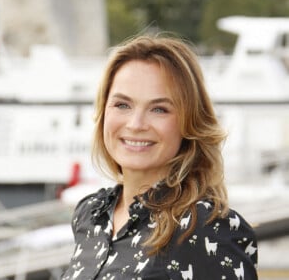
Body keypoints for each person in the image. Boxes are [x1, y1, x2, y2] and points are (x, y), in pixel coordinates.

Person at [62, 35, 258, 279]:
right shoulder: (91, 215)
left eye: (159, 109)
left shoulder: (207, 227)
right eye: (122, 105)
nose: (135, 124)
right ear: (104, 112)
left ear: (189, 123)